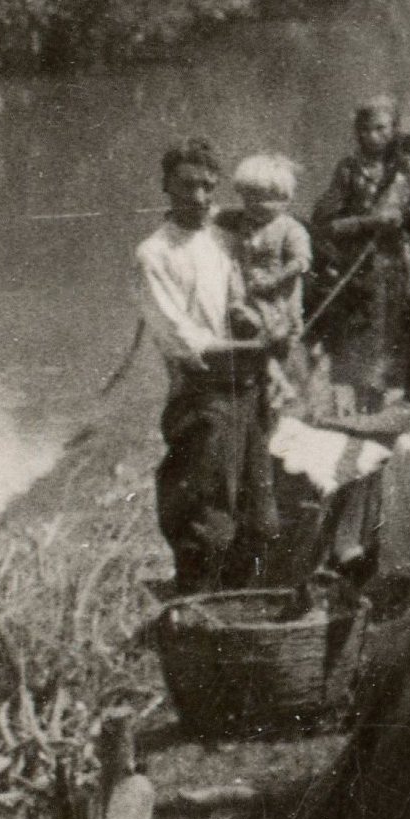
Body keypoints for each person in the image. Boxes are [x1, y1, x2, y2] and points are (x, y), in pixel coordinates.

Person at [136, 138, 269, 593]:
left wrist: (249, 317)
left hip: (245, 387)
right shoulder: (154, 254)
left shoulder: (222, 239)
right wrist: (249, 348)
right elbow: (178, 336)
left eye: (208, 187)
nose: (199, 198)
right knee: (205, 510)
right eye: (187, 186)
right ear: (166, 187)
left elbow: (236, 297)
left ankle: (239, 600)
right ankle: (196, 601)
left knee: (257, 509)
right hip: (200, 392)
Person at [310, 98, 410, 391]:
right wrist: (369, 222)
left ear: (394, 130)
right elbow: (325, 224)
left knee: (397, 331)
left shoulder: (405, 169)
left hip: (398, 264)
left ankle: (392, 395)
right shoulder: (348, 170)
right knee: (358, 337)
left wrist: (402, 218)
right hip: (359, 267)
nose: (373, 136)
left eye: (381, 128)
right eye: (365, 129)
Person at [225, 153, 313, 386]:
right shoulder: (243, 220)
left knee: (278, 339)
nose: (257, 206)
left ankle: (282, 386)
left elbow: (301, 261)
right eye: (249, 197)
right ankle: (260, 382)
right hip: (248, 294)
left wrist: (276, 279)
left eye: (267, 199)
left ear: (285, 199)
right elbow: (217, 216)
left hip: (278, 297)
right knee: (247, 336)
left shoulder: (289, 228)